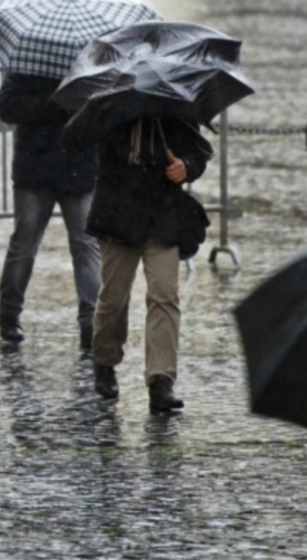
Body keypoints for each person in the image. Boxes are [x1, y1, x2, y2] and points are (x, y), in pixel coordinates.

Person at [62, 114, 211, 412]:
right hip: (118, 216)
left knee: (164, 295)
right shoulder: (112, 107)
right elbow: (78, 140)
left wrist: (187, 167)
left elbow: (198, 153)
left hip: (163, 217)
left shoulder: (175, 106)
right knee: (114, 297)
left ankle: (161, 379)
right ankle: (104, 360)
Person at [0, 73, 100, 347]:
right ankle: (9, 315)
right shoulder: (27, 63)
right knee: (25, 243)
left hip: (79, 166)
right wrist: (56, 103)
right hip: (35, 167)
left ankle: (91, 321)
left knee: (86, 243)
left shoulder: (91, 66)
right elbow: (7, 106)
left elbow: (103, 109)